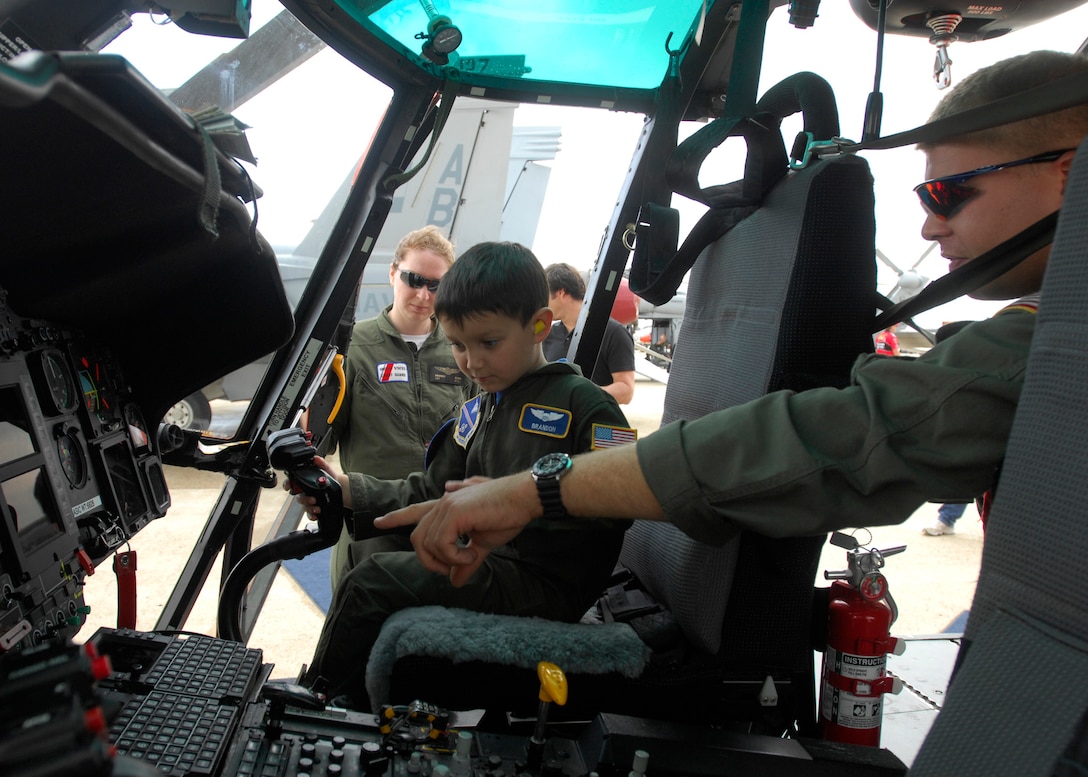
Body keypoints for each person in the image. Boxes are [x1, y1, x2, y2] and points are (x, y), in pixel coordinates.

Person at [371, 51, 1088, 587]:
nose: (930, 227)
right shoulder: (1044, 330)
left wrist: (535, 489)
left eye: (947, 193)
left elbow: (840, 436)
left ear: (1071, 171)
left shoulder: (1054, 345)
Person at [299, 241, 636, 705]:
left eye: (488, 343)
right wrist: (347, 489)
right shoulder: (480, 409)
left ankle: (319, 703)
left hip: (546, 581)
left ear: (539, 326)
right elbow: (430, 489)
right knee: (366, 555)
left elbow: (624, 499)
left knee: (370, 582)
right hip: (492, 564)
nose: (471, 362)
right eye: (457, 345)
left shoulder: (587, 407)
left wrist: (528, 509)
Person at [319, 225, 471, 590]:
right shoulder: (352, 347)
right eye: (413, 279)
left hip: (444, 525)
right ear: (392, 274)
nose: (423, 294)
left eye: (435, 285)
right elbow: (321, 438)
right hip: (371, 525)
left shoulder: (463, 348)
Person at [542, 262, 636, 404]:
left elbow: (626, 391)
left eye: (544, 295)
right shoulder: (548, 335)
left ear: (561, 293)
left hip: (594, 422)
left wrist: (580, 394)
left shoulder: (613, 333)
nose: (541, 302)